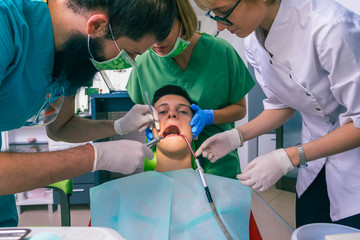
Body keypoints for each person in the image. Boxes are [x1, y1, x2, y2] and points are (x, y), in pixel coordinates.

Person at [0, 0, 176, 226]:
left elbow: (61, 127)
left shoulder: (71, 55)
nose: (130, 63)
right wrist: (95, 156)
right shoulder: (8, 26)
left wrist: (118, 126)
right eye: (129, 53)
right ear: (97, 26)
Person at [193, 0, 360, 229]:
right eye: (215, 15)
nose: (221, 27)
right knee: (309, 227)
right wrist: (236, 136)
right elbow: (281, 105)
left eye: (224, 13)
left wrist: (288, 157)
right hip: (315, 160)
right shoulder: (253, 39)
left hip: (355, 162)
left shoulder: (331, 28)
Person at [91, 85, 252, 240]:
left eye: (182, 111)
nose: (172, 115)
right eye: (162, 111)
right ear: (150, 130)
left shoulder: (232, 199)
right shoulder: (113, 198)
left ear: (195, 130)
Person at [126, 0, 255, 179]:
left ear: (183, 20)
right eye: (147, 34)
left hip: (217, 167)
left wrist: (210, 116)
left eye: (163, 31)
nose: (155, 42)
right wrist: (147, 123)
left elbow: (240, 109)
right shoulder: (143, 63)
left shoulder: (220, 52)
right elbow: (144, 113)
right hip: (166, 171)